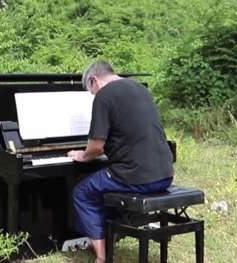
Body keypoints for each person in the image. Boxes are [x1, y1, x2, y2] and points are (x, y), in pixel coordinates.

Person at [67, 61, 173, 263]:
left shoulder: (104, 96)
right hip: (165, 173)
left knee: (82, 192)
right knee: (103, 185)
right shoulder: (140, 89)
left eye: (91, 90)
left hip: (137, 177)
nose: (93, 94)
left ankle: (100, 256)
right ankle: (108, 236)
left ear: (93, 80)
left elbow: (96, 147)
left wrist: (82, 155)